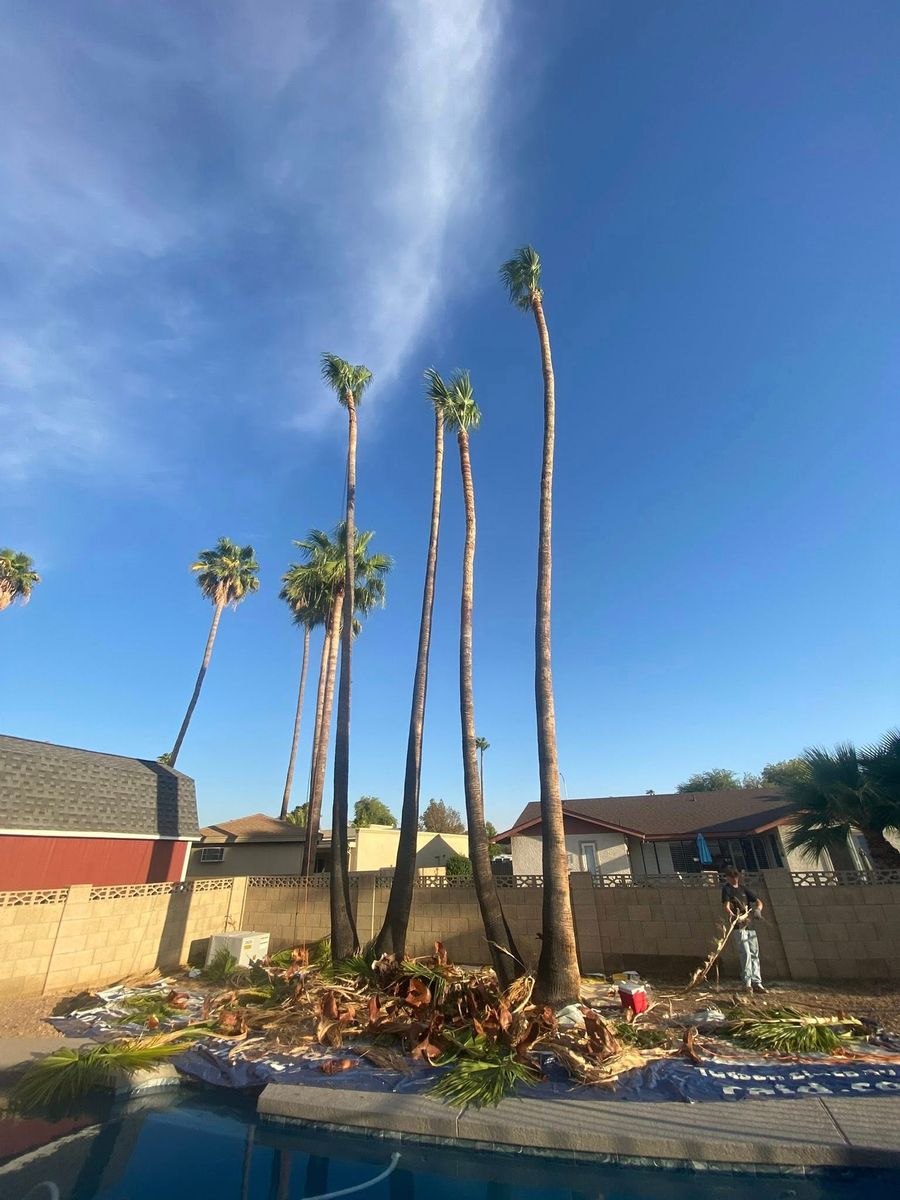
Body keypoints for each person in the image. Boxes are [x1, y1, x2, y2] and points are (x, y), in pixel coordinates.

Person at [722, 866, 767, 993]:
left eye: (735, 877)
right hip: (738, 925)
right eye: (731, 877)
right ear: (728, 878)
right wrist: (733, 915)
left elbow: (759, 902)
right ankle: (747, 982)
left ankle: (757, 982)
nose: (734, 879)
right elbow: (726, 906)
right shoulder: (727, 889)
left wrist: (758, 910)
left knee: (754, 953)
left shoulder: (743, 889)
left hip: (749, 924)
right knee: (745, 953)